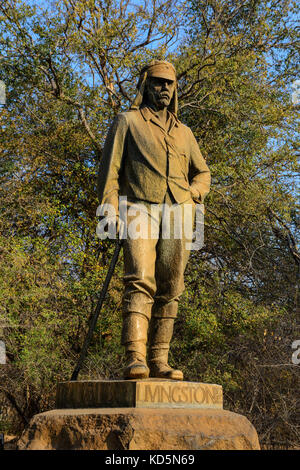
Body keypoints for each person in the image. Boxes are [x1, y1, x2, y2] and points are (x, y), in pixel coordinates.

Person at [97, 60, 211, 380]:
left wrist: (195, 192)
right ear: (146, 84)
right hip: (138, 207)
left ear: (175, 90)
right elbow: (109, 174)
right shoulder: (127, 122)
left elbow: (203, 172)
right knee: (140, 277)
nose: (164, 88)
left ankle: (160, 360)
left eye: (169, 84)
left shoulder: (184, 133)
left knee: (171, 286)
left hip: (178, 211)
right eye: (159, 82)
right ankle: (135, 357)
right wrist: (110, 212)